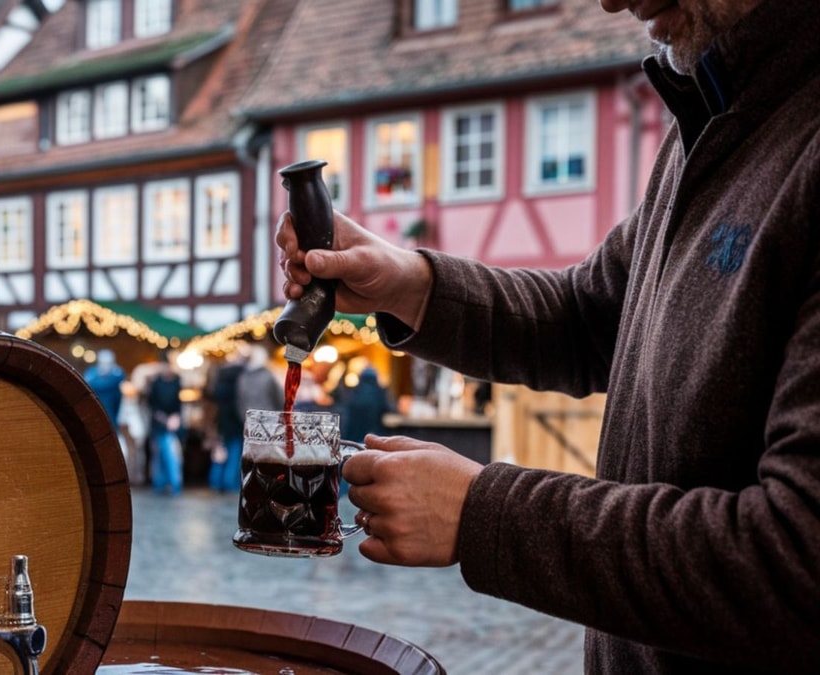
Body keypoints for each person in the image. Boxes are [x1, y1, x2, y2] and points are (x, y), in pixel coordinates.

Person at [276, 1, 820, 671]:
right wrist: (408, 282)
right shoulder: (713, 113)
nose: (612, 2)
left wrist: (483, 513)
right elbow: (590, 314)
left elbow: (797, 561)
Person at [206, 347, 246, 493]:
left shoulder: (221, 376)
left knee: (220, 452)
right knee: (234, 453)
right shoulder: (242, 375)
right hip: (236, 419)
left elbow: (213, 396)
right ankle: (230, 484)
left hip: (222, 419)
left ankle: (215, 482)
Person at [145, 352, 184, 496]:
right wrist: (165, 419)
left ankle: (172, 483)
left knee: (169, 453)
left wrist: (175, 417)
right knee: (162, 453)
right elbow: (152, 405)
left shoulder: (176, 381)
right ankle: (165, 483)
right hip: (159, 422)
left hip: (171, 422)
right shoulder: (155, 383)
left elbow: (178, 404)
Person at [236, 344, 284, 415]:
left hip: (251, 418)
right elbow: (279, 398)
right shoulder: (268, 376)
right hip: (269, 416)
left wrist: (244, 416)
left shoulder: (243, 377)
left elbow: (240, 400)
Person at [84, 349, 126, 430]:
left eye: (108, 364)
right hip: (95, 412)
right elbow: (88, 384)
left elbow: (119, 379)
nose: (106, 366)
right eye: (104, 363)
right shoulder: (92, 374)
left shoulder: (117, 373)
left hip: (113, 413)